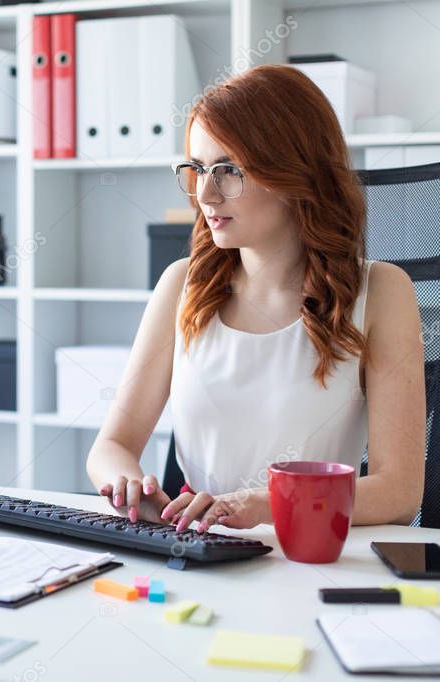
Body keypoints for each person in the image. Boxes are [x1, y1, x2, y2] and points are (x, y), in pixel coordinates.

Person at [86, 64, 425, 532]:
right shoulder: (180, 285)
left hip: (312, 556)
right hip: (199, 549)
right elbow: (111, 447)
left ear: (294, 174)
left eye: (227, 171)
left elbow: (399, 493)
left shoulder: (383, 292)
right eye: (198, 169)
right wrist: (126, 485)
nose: (206, 194)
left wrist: (264, 505)